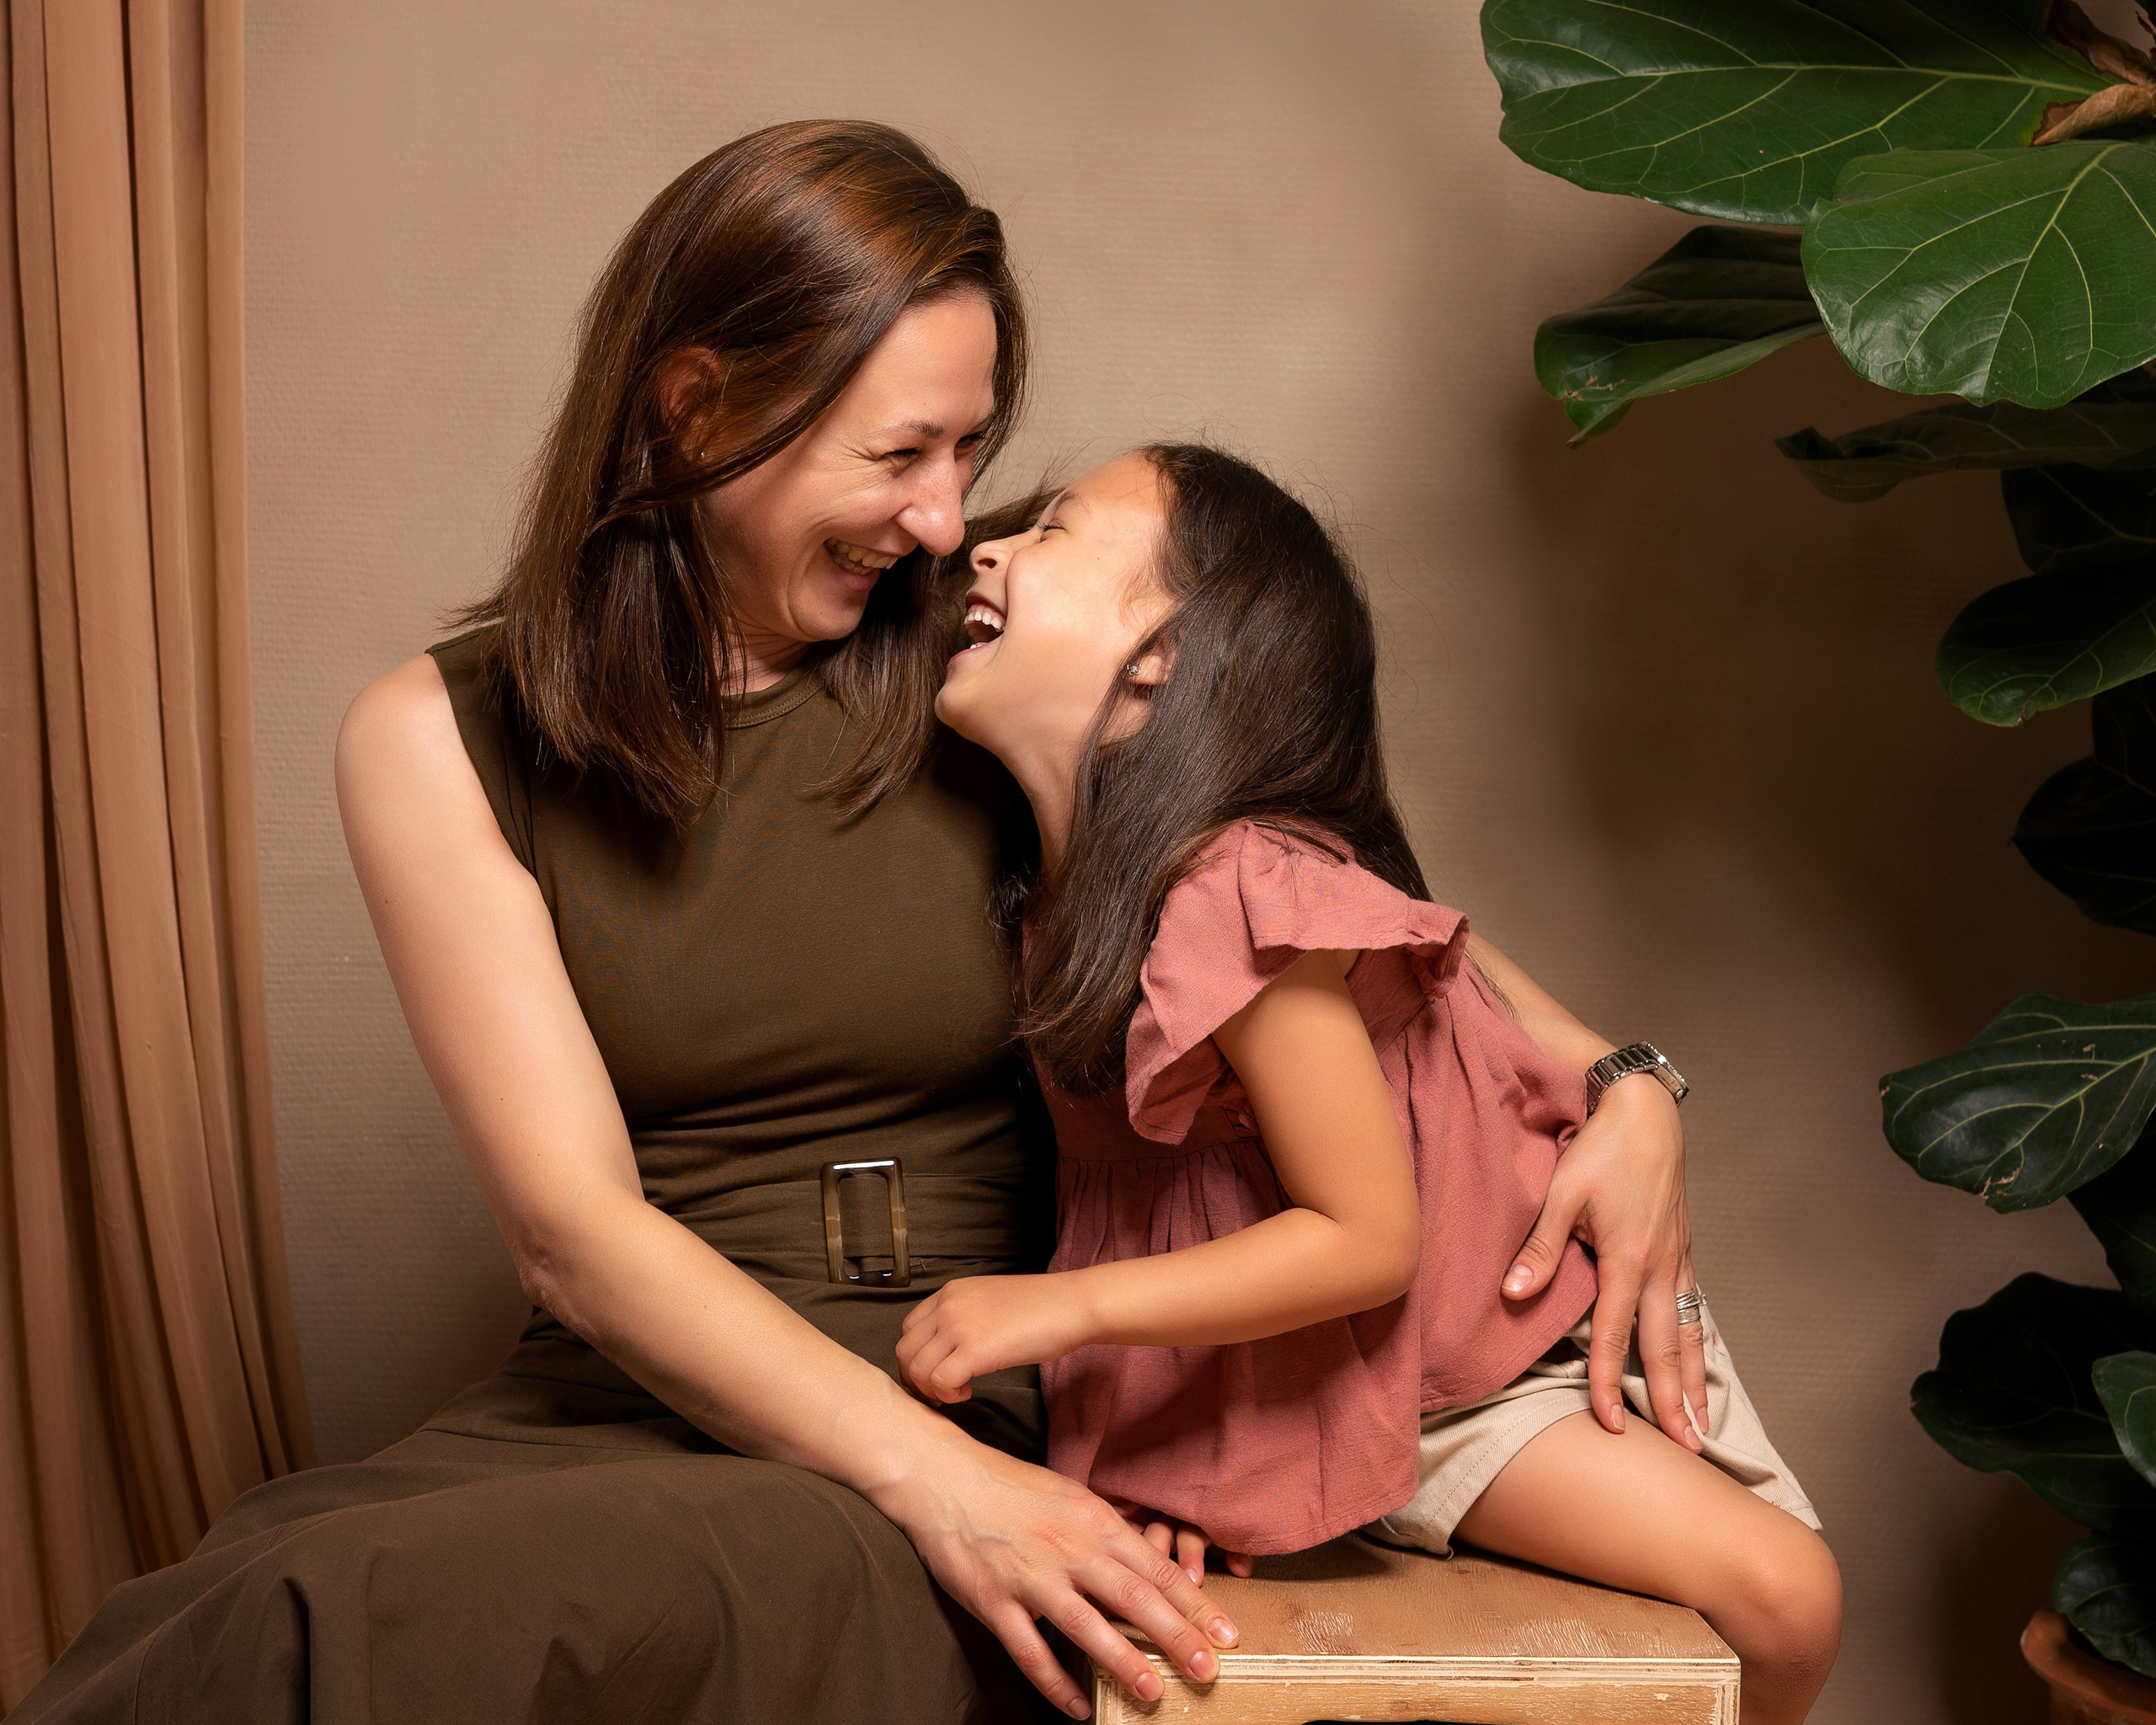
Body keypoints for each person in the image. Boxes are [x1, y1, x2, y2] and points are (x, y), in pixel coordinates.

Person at [14, 126, 1705, 1725]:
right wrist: (941, 1492)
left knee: (393, 1610)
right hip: (647, 1402)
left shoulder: (990, 649)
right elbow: (576, 1239)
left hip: (977, 1383)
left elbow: (1314, 905)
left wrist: (1628, 1082)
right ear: (695, 411)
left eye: (969, 448)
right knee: (271, 1602)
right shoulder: (431, 735)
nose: (943, 514)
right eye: (900, 453)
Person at [909, 444, 1844, 1723]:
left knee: (1789, 1596)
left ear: (1166, 652)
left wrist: (1048, 1316)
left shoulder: (1239, 882)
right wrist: (1159, 1453)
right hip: (1307, 1364)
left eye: (1056, 533)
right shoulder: (1061, 899)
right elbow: (1156, 1200)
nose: (990, 546)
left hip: (1496, 1353)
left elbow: (1364, 1240)